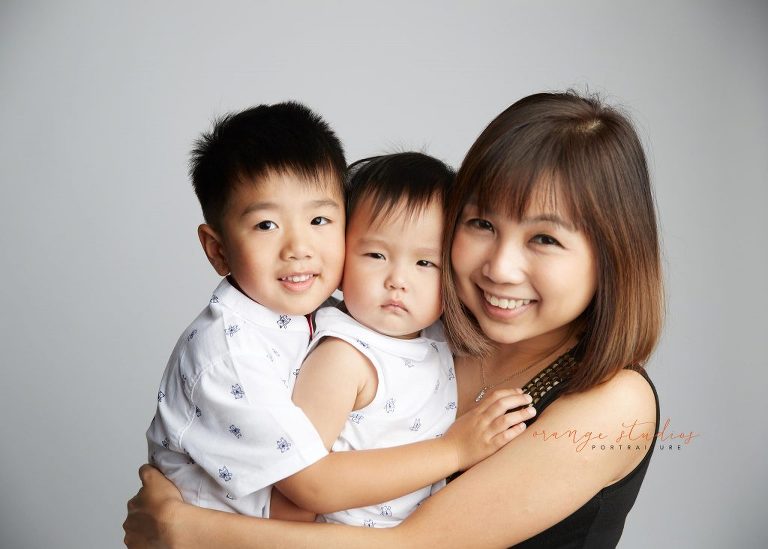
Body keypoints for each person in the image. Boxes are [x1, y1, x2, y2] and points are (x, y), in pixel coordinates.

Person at [125, 91, 663, 548]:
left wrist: (189, 529)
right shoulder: (416, 336)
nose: (499, 267)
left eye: (544, 239)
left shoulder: (614, 404)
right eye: (480, 222)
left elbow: (413, 546)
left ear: (612, 254)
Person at [147, 104, 531, 521]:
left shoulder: (338, 314)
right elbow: (306, 492)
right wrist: (456, 449)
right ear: (218, 250)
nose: (299, 248)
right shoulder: (233, 355)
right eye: (266, 225)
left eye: (318, 219)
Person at [277, 152, 533, 528]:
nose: (397, 279)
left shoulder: (437, 338)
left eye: (425, 263)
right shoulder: (343, 357)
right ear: (341, 254)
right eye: (376, 254)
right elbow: (293, 485)